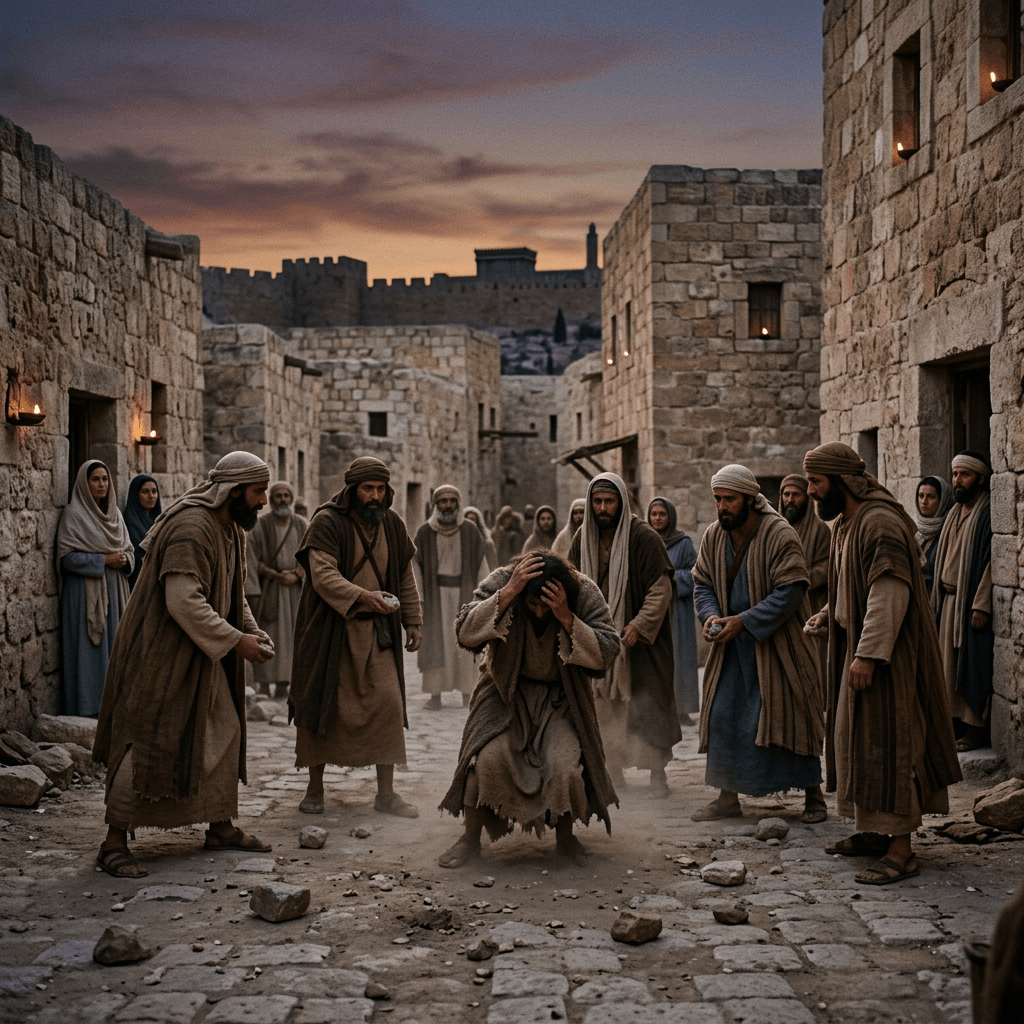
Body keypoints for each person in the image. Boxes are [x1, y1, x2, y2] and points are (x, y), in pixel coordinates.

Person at [92, 452, 276, 878]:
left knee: (223, 731)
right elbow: (183, 600)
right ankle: (114, 842)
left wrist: (250, 629)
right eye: (258, 491)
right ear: (234, 492)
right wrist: (236, 641)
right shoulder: (192, 528)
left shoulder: (232, 529)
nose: (264, 500)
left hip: (205, 656)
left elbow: (231, 592)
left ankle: (220, 825)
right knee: (149, 740)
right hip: (163, 655)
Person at [803, 442, 961, 885]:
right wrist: (828, 612)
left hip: (889, 660)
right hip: (861, 650)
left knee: (892, 745)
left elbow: (889, 592)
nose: (813, 492)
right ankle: (873, 831)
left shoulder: (880, 523)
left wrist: (868, 654)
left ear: (840, 481)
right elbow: (857, 583)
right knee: (857, 744)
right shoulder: (846, 525)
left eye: (817, 483)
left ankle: (901, 848)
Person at [437, 552, 620, 868]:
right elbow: (465, 631)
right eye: (532, 604)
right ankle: (470, 839)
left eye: (543, 607)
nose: (537, 612)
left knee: (563, 764)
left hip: (562, 700)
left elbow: (607, 651)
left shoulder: (582, 590)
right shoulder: (503, 581)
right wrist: (508, 593)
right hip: (504, 693)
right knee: (486, 759)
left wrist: (564, 615)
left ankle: (566, 839)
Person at [690, 465, 826, 823]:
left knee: (791, 714)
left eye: (730, 499)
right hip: (731, 650)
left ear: (750, 499)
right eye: (718, 499)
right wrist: (709, 616)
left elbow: (792, 589)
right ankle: (727, 797)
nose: (722, 506)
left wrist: (745, 621)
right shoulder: (713, 536)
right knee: (723, 715)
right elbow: (702, 582)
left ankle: (814, 795)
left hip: (778, 646)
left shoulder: (779, 533)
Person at [290, 457, 422, 818]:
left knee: (388, 706)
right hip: (330, 633)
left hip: (378, 635)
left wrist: (413, 620)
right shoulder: (327, 523)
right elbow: (323, 576)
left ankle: (386, 794)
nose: (375, 496)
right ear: (353, 490)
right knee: (321, 705)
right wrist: (365, 597)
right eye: (368, 489)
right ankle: (314, 789)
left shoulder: (392, 524)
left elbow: (404, 576)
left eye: (380, 489)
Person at [569, 473, 680, 796]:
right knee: (603, 709)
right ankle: (612, 772)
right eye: (598, 501)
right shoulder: (582, 538)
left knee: (649, 706)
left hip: (641, 643)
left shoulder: (643, 537)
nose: (603, 508)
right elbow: (573, 584)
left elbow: (660, 590)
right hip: (598, 638)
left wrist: (638, 626)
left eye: (610, 501)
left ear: (621, 502)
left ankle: (657, 775)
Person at [57, 462, 135, 717]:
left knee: (116, 650)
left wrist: (125, 560)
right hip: (85, 595)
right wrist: (103, 561)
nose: (102, 484)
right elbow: (67, 559)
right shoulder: (74, 514)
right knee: (89, 654)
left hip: (116, 593)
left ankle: (116, 711)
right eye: (95, 479)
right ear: (84, 483)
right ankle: (87, 711)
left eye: (105, 479)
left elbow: (130, 550)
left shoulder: (116, 516)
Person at [929, 451, 993, 752]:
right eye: (955, 475)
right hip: (948, 603)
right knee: (946, 669)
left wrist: (981, 604)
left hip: (969, 604)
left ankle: (975, 731)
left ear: (980, 478)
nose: (957, 480)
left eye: (964, 475)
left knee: (971, 665)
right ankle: (952, 726)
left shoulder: (987, 513)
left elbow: (993, 562)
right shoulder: (954, 513)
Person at [413, 485, 488, 710]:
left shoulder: (470, 531)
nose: (447, 505)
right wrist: (419, 597)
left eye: (451, 501)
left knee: (466, 646)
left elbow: (481, 565)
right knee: (435, 645)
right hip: (436, 597)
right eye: (443, 502)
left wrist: (483, 596)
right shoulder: (425, 532)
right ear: (435, 505)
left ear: (458, 503)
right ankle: (435, 696)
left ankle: (468, 694)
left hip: (465, 596)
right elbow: (415, 565)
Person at [249, 481, 309, 697]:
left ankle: (285, 683)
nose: (283, 499)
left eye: (286, 495)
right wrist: (273, 576)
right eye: (278, 496)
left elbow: (312, 554)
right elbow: (251, 559)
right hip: (269, 591)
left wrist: (297, 574)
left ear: (291, 499)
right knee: (268, 635)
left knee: (292, 637)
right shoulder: (259, 526)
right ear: (271, 499)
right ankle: (264, 684)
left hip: (295, 591)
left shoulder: (303, 524)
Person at [647, 497, 699, 726]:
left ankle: (682, 710)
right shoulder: (645, 541)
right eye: (654, 514)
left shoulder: (684, 543)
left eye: (662, 514)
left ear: (670, 517)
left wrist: (672, 578)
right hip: (651, 609)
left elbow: (696, 573)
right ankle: (656, 709)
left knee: (679, 658)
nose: (657, 518)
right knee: (655, 658)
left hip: (677, 609)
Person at [779, 473, 832, 694]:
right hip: (780, 612)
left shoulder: (820, 531)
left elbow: (827, 567)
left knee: (812, 675)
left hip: (810, 608)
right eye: (786, 494)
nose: (790, 500)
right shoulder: (775, 530)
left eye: (796, 495)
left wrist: (797, 580)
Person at [914, 475, 953, 594]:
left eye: (931, 497)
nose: (924, 502)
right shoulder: (914, 532)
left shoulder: (948, 532)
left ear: (942, 501)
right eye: (921, 496)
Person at [123, 474, 161, 591]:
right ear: (136, 495)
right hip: (138, 585)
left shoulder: (159, 521)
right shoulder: (129, 522)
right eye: (145, 492)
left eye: (154, 491)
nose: (151, 496)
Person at [463, 505, 498, 570]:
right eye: (467, 520)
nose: (471, 523)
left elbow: (492, 565)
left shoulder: (487, 543)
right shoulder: (460, 542)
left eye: (473, 519)